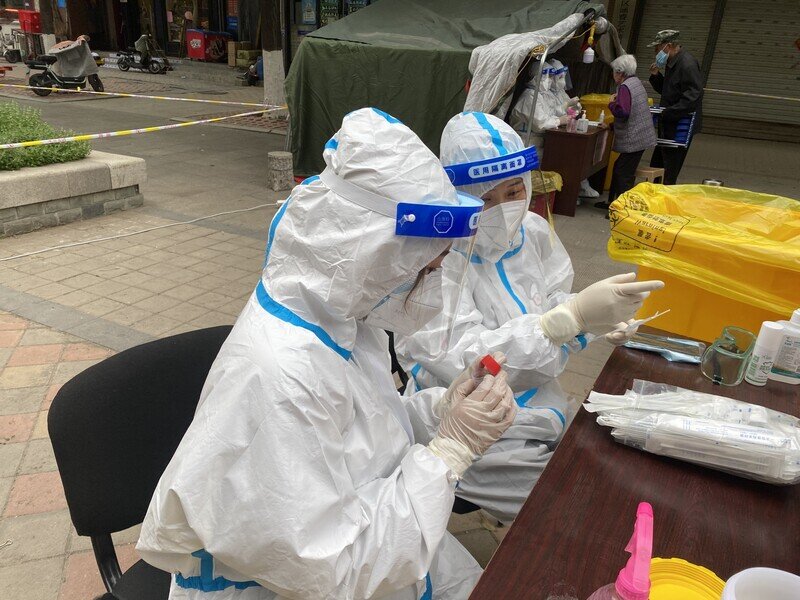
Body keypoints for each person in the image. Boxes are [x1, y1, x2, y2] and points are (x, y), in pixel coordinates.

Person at [136, 107, 519, 600]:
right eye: (426, 268)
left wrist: (441, 412)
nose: (430, 282)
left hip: (374, 549)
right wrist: (449, 452)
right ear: (376, 253)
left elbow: (366, 433)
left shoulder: (340, 315)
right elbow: (333, 571)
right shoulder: (282, 377)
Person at [395, 111, 665, 523]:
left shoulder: (533, 231)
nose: (504, 210)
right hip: (464, 414)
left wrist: (593, 320)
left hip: (540, 398)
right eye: (485, 199)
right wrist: (568, 322)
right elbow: (467, 361)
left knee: (606, 465)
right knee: (566, 510)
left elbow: (553, 294)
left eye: (513, 191)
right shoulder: (441, 257)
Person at [594, 54, 657, 215]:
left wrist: (611, 103)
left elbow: (623, 112)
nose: (613, 75)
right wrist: (611, 126)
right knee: (619, 168)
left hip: (635, 138)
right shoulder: (636, 82)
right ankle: (613, 203)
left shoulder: (624, 87)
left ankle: (622, 211)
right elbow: (634, 111)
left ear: (620, 72)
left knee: (623, 173)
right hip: (641, 135)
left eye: (614, 71)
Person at [648, 29, 703, 184]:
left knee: (669, 168)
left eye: (658, 47)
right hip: (669, 120)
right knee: (658, 164)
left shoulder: (687, 64)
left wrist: (668, 112)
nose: (656, 51)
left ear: (669, 45)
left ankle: (664, 194)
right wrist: (656, 76)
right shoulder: (672, 62)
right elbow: (668, 91)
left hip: (680, 124)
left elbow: (692, 96)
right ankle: (655, 191)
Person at [548, 59, 600, 199]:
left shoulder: (560, 92)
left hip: (563, 131)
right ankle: (569, 194)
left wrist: (575, 107)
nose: (562, 81)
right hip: (551, 134)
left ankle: (580, 187)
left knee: (579, 157)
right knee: (569, 160)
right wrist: (564, 110)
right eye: (560, 77)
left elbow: (568, 109)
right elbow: (548, 114)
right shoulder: (542, 94)